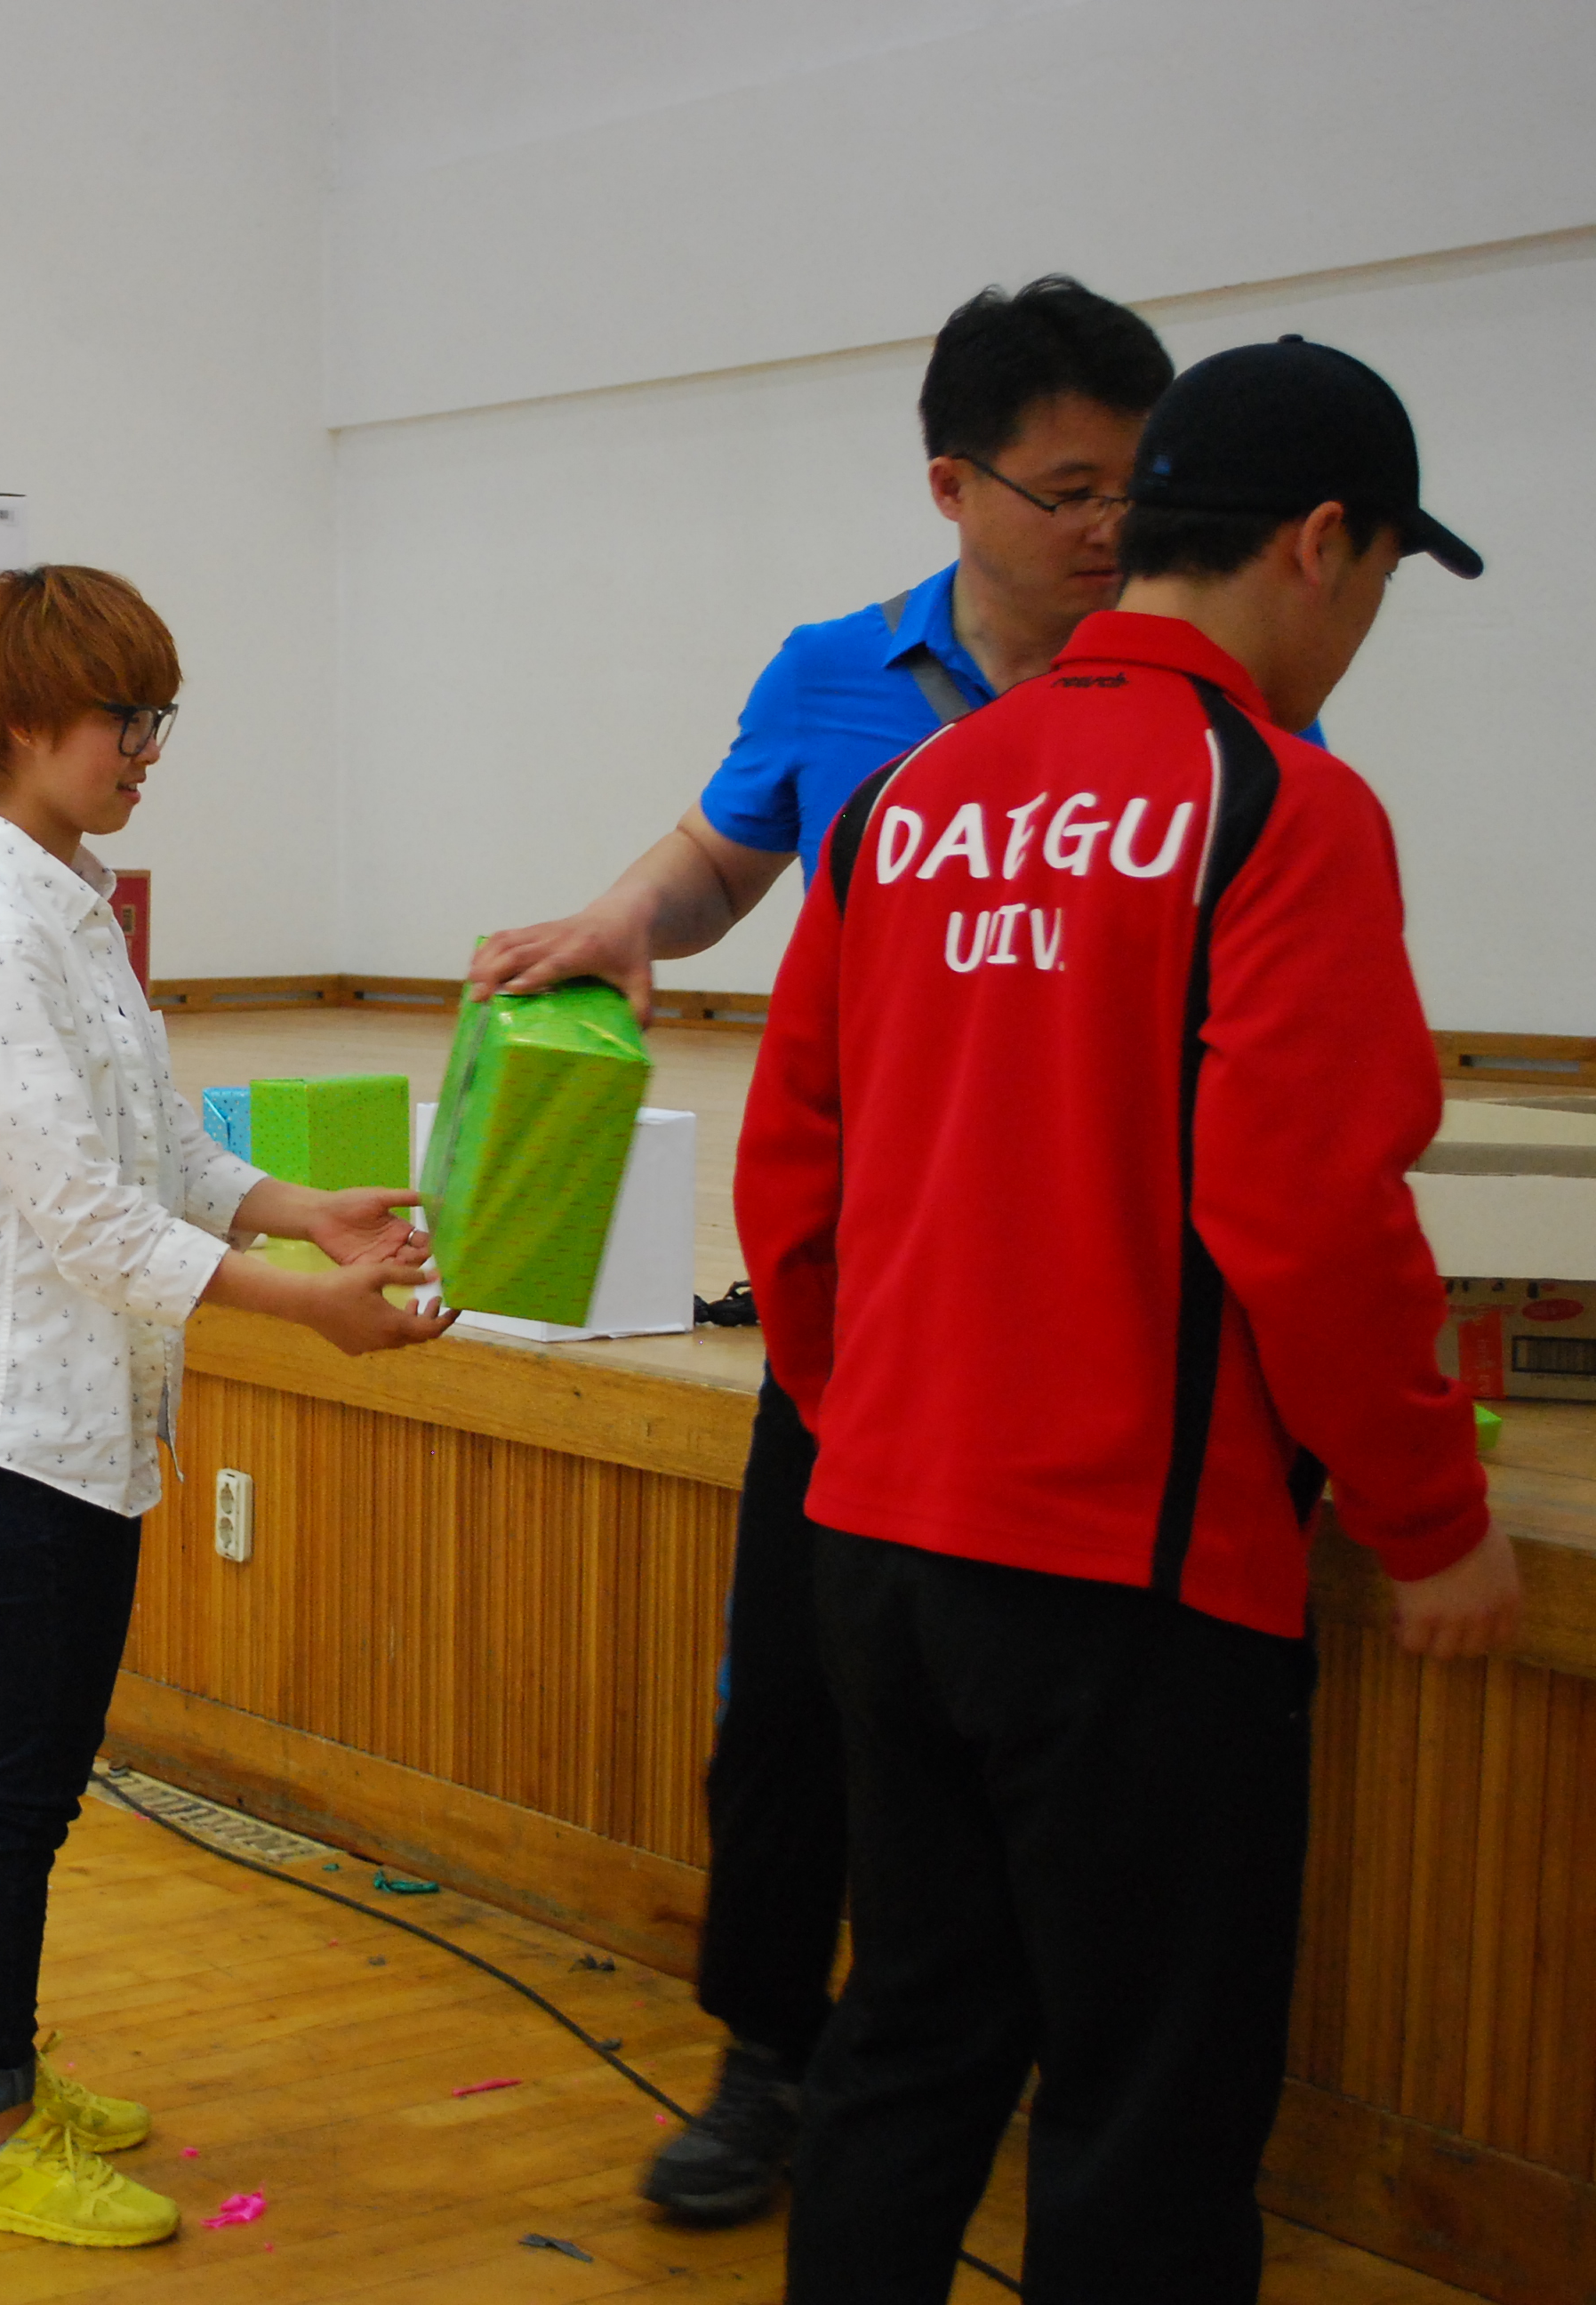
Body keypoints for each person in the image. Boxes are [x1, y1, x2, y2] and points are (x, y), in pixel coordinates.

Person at [739, 337, 1521, 2301]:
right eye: (1379, 577)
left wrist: (863, 1423)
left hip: (880, 1546)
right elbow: (1310, 1212)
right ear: (1321, 542)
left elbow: (790, 1179)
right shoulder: (1284, 804)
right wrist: (1428, 1512)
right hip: (1135, 1588)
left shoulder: (913, 796)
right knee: (1144, 2122)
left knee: (907, 2046)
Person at [463, 276, 1177, 2225]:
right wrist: (623, 916)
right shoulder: (836, 674)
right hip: (863, 1299)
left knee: (1061, 1729)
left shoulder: (1196, 702)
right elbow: (721, 856)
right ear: (950, 486)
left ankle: (1033, 2077)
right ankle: (769, 2054)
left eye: (1135, 486)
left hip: (1092, 1305)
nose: (1109, 527)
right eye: (1067, 490)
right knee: (791, 1700)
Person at [0, 566, 451, 2247]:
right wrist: (309, 1311)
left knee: (38, 1779)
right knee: (18, 1788)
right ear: (18, 726)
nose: (145, 749)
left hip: (81, 1414)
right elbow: (94, 1225)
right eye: (119, 718)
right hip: (10, 1425)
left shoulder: (70, 903)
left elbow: (165, 1155)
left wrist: (305, 1208)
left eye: (154, 716)